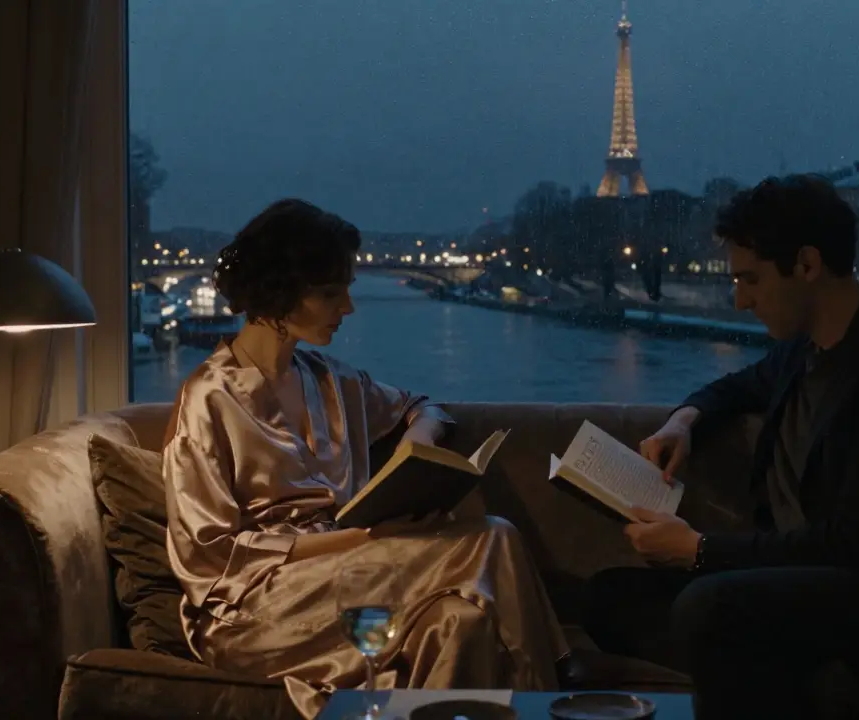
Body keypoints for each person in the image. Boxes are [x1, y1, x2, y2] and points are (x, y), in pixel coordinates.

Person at [581, 175, 859, 719]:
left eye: (750, 280)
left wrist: (700, 551)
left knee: (709, 610)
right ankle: (800, 674)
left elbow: (856, 545)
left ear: (805, 264)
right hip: (808, 582)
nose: (739, 299)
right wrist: (684, 421)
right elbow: (737, 387)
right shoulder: (806, 347)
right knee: (607, 596)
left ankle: (781, 666)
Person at [164, 199, 568, 719]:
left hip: (354, 574)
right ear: (281, 292)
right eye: (333, 293)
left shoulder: (332, 381)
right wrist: (362, 538)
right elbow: (211, 557)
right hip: (255, 607)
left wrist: (413, 448)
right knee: (492, 534)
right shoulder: (208, 398)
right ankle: (557, 687)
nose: (348, 308)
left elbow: (424, 407)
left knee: (459, 622)